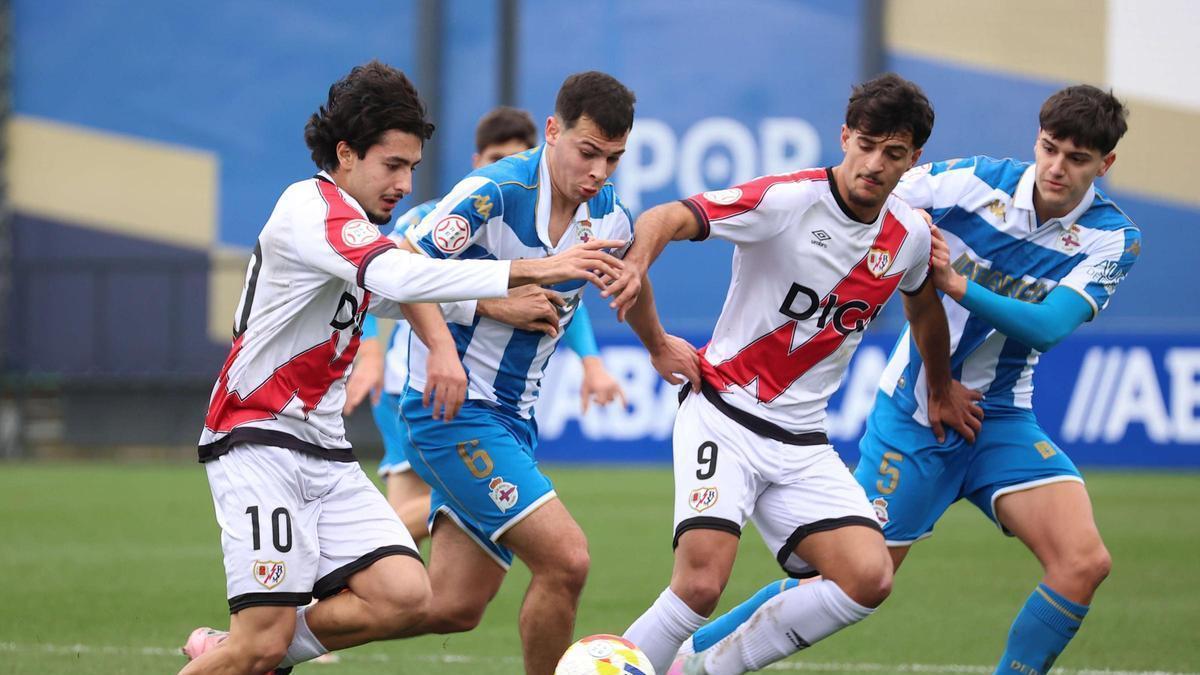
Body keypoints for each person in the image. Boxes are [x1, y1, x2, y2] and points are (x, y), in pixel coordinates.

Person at [670, 84, 1139, 675]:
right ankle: (692, 661)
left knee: (1084, 561)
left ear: (1106, 165)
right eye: (1050, 149)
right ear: (1037, 141)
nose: (1057, 167)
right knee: (851, 578)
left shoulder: (1111, 237)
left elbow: (1047, 328)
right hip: (915, 416)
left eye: (1077, 159)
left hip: (1000, 419)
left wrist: (957, 283)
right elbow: (859, 200)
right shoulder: (969, 184)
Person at [178, 61, 625, 675]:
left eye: (413, 168)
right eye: (393, 166)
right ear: (345, 153)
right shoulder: (310, 208)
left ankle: (252, 648)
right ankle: (250, 650)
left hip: (324, 450)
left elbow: (388, 295)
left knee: (409, 595)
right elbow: (396, 274)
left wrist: (488, 304)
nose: (405, 184)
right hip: (259, 440)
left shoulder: (356, 226)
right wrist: (524, 270)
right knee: (260, 644)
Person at [603, 73, 982, 675]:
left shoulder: (908, 234)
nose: (875, 164)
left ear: (914, 161)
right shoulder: (787, 200)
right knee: (701, 584)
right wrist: (637, 267)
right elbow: (668, 216)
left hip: (803, 443)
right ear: (844, 138)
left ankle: (698, 669)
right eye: (866, 144)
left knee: (869, 577)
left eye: (894, 154)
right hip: (723, 414)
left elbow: (924, 308)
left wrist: (939, 386)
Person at [377, 71, 637, 675]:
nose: (598, 171)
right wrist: (471, 319)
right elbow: (393, 277)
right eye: (587, 151)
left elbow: (620, 283)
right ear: (553, 131)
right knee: (567, 559)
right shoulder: (493, 193)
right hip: (452, 412)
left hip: (514, 420)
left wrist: (656, 346)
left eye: (613, 158)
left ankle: (267, 642)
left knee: (453, 606)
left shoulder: (611, 219)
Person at [344, 107, 625, 543]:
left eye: (514, 157)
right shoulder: (433, 218)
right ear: (477, 161)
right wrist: (371, 353)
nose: (504, 167)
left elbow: (564, 299)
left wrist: (591, 361)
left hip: (486, 393)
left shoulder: (551, 220)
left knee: (447, 559)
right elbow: (387, 280)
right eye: (495, 157)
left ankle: (375, 589)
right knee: (409, 517)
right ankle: (347, 566)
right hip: (411, 378)